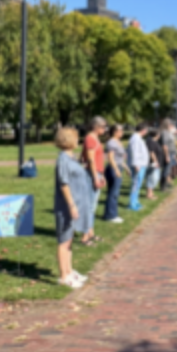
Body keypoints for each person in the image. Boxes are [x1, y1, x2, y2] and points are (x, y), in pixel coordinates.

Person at [52, 126, 88, 289]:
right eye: (75, 137)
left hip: (76, 203)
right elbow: (64, 184)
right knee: (63, 240)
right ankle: (63, 275)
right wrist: (71, 205)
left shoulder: (71, 158)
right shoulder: (63, 160)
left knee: (69, 239)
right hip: (66, 205)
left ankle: (69, 270)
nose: (78, 140)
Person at [77, 117, 106, 246]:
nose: (105, 129)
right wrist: (95, 177)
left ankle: (91, 233)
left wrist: (101, 175)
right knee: (88, 206)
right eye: (103, 127)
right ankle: (84, 237)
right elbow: (90, 160)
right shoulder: (90, 139)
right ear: (96, 127)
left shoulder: (95, 138)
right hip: (91, 174)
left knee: (92, 206)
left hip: (97, 173)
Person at [101, 124, 128, 224]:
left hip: (118, 167)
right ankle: (111, 215)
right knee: (113, 193)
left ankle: (111, 214)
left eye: (122, 130)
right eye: (120, 130)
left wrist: (126, 168)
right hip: (113, 169)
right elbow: (111, 158)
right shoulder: (111, 142)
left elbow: (120, 159)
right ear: (114, 132)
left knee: (115, 193)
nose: (122, 132)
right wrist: (116, 169)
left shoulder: (118, 142)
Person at [126, 124, 150, 211]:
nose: (147, 132)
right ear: (143, 130)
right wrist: (136, 164)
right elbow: (134, 152)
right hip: (138, 165)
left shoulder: (138, 138)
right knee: (135, 184)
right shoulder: (135, 138)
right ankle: (132, 203)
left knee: (138, 184)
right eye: (146, 130)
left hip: (141, 164)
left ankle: (135, 201)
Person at [145, 129, 162, 198]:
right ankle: (149, 195)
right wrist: (156, 162)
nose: (160, 135)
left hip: (155, 163)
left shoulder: (155, 141)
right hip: (152, 163)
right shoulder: (151, 142)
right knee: (152, 178)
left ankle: (151, 193)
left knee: (155, 178)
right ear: (157, 135)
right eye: (159, 134)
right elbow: (151, 153)